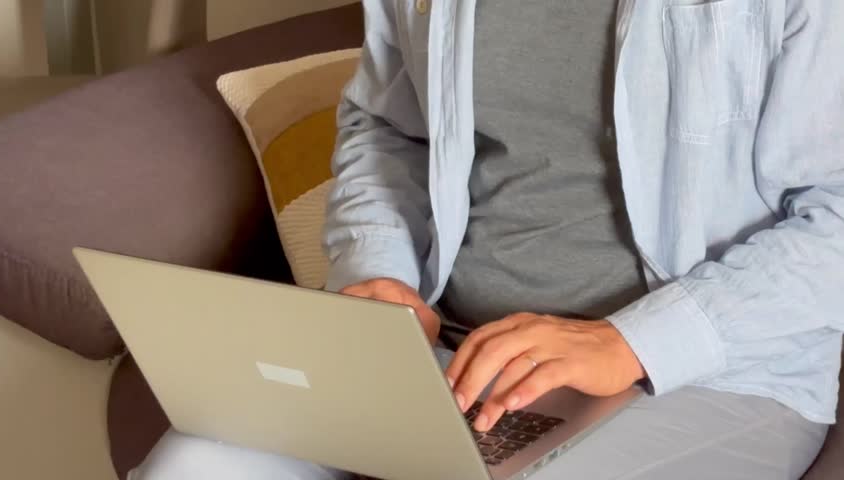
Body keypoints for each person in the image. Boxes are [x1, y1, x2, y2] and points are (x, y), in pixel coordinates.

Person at [130, 1, 844, 479]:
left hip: (705, 374)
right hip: (446, 351)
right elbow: (387, 128)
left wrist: (627, 343)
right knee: (191, 467)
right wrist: (379, 270)